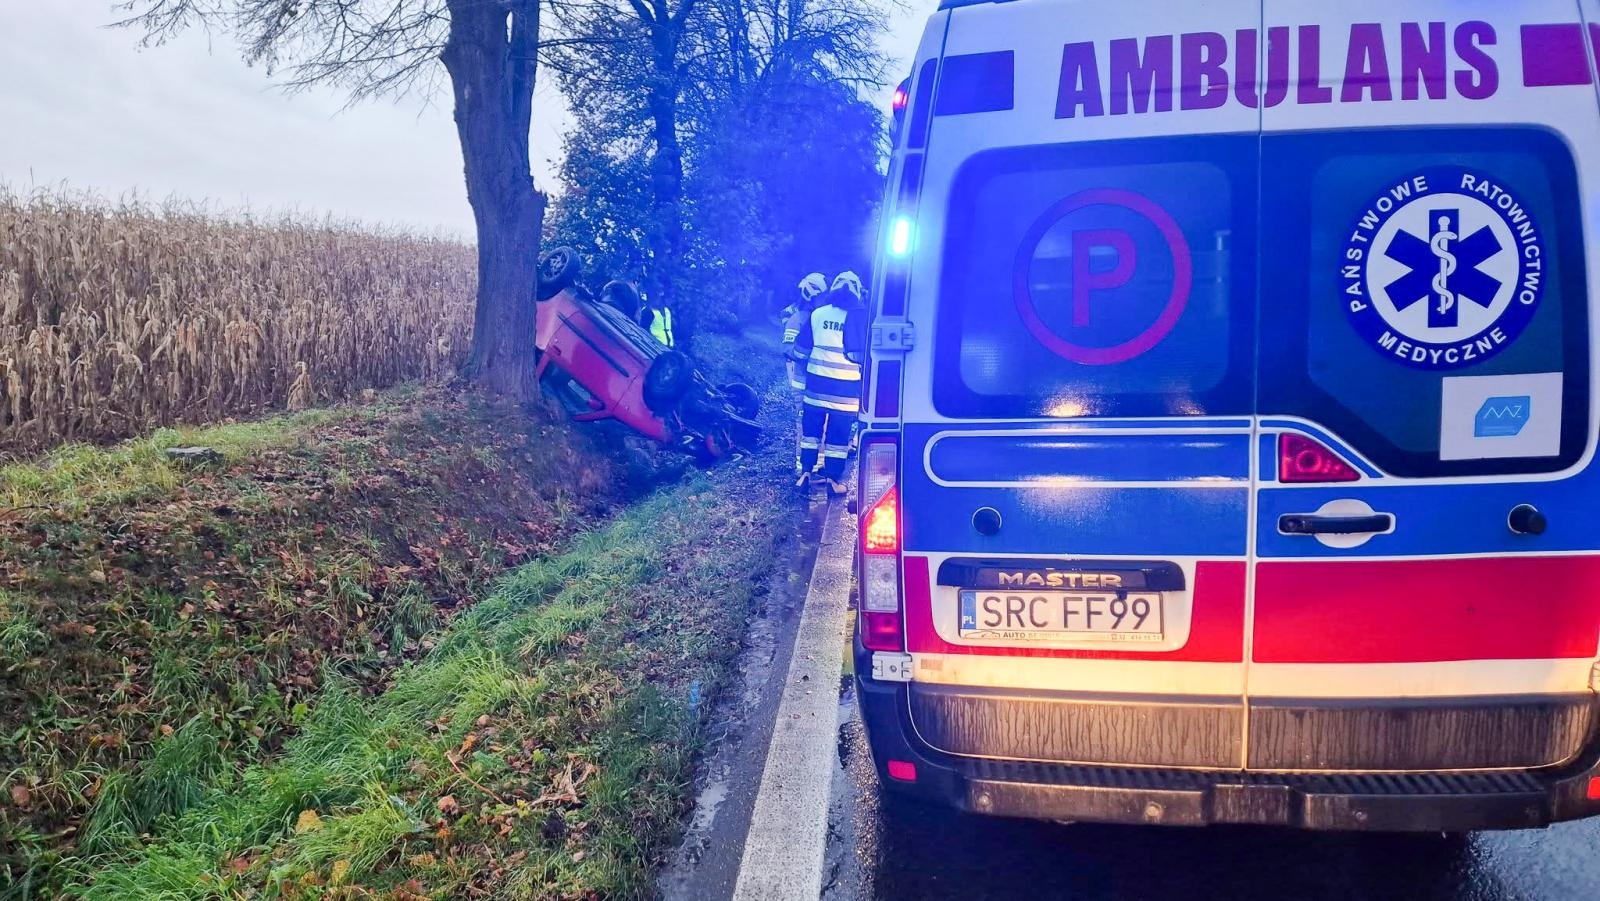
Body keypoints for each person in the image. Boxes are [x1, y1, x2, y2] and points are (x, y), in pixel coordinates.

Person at [791, 271, 866, 495]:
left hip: (816, 388)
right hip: (846, 392)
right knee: (838, 439)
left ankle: (805, 474)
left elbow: (799, 351)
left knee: (811, 433)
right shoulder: (862, 318)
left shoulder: (817, 314)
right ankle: (833, 482)